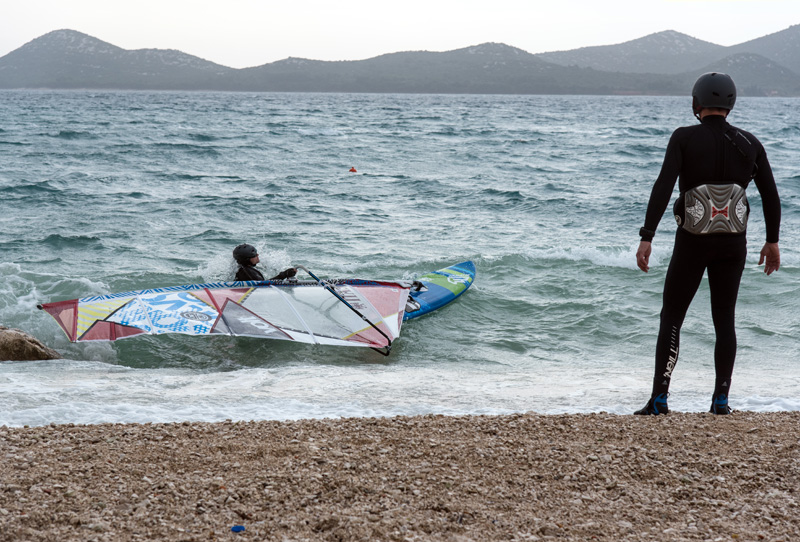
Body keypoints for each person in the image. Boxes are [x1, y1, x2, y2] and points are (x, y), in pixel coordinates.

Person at [634, 72, 781, 416]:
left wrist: (647, 236)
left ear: (696, 103)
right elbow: (771, 197)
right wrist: (772, 241)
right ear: (731, 104)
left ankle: (659, 400)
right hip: (733, 243)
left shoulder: (684, 138)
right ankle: (721, 401)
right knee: (724, 318)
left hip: (692, 242)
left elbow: (663, 186)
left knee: (672, 316)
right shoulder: (750, 143)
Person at [232, 243, 297, 281]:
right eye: (254, 255)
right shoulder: (248, 273)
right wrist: (284, 274)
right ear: (247, 259)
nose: (257, 255)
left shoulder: (240, 269)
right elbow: (264, 286)